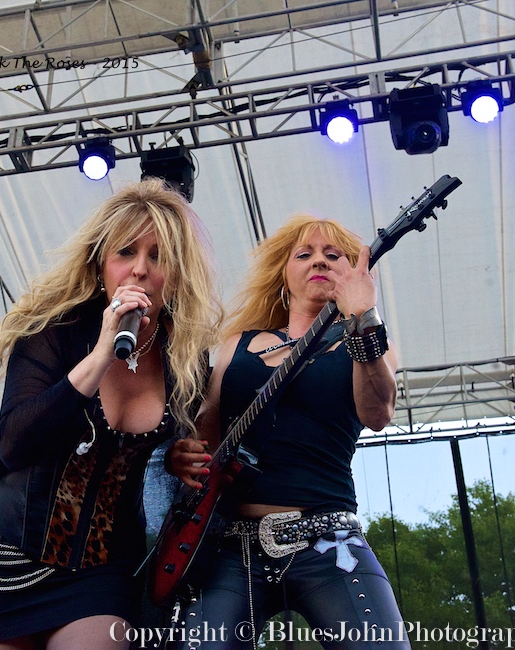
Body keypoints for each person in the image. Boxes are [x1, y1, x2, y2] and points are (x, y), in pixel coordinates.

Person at [0, 178, 222, 650]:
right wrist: (100, 356)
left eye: (157, 257)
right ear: (101, 266)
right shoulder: (53, 329)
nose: (139, 269)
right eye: (125, 253)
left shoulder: (186, 361)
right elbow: (15, 442)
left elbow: (151, 446)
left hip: (100, 567)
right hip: (2, 558)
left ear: (175, 276)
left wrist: (174, 453)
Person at [166, 213, 411, 649]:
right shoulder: (237, 343)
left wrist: (363, 317)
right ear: (284, 272)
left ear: (352, 272)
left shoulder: (370, 338)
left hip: (330, 538)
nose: (319, 261)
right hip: (229, 543)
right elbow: (205, 433)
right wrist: (183, 453)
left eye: (333, 255)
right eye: (305, 254)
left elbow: (378, 412)